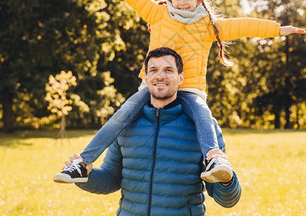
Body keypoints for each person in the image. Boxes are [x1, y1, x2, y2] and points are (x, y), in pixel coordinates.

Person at [54, 0, 306, 184]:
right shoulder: (157, 14)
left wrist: (278, 29)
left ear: (199, 1)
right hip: (154, 85)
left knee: (202, 116)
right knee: (122, 115)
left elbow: (244, 26)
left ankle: (215, 160)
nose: (182, 3)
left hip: (191, 87)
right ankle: (83, 163)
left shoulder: (209, 26)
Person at [60, 47, 241, 215]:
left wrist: (227, 180)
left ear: (181, 78)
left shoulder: (204, 128)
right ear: (146, 78)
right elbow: (111, 179)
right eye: (153, 70)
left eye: (168, 70)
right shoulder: (125, 124)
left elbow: (226, 200)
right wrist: (88, 176)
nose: (160, 76)